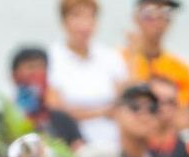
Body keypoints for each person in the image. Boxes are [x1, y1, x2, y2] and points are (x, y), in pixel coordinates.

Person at [47, 0, 128, 148]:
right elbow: (56, 110)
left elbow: (125, 101)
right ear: (64, 20)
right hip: (74, 146)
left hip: (114, 144)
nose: (84, 25)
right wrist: (103, 112)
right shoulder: (52, 60)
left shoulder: (110, 57)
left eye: (90, 17)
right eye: (76, 16)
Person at [122, 0, 189, 107]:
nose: (158, 19)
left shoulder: (181, 69)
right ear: (136, 17)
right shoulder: (117, 60)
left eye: (166, 13)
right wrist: (133, 57)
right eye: (149, 12)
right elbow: (121, 103)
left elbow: (184, 112)